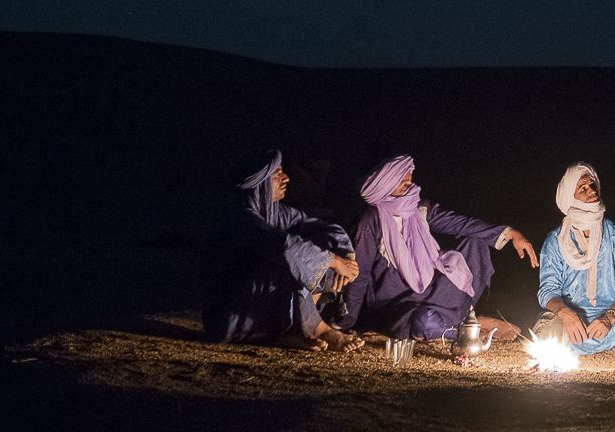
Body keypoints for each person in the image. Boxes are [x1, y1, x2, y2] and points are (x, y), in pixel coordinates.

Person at [338, 154, 538, 344]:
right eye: (405, 184)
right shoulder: (371, 220)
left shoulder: (418, 209)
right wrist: (347, 321)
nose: (412, 187)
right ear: (386, 185)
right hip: (397, 304)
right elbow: (358, 272)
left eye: (411, 182)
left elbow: (461, 224)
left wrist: (510, 234)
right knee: (423, 323)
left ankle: (465, 316)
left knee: (475, 243)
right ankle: (466, 327)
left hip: (432, 291)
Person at [200, 149, 363, 350]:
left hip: (256, 308)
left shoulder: (279, 214)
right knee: (299, 259)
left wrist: (345, 255)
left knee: (323, 248)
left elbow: (327, 228)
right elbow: (284, 246)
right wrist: (336, 262)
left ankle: (292, 331)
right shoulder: (238, 218)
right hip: (233, 318)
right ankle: (315, 328)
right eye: (277, 174)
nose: (286, 178)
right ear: (259, 184)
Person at [532, 162, 615, 357]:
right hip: (567, 316)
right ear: (571, 196)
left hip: (607, 315)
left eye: (592, 185)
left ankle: (597, 343)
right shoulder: (555, 240)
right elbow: (547, 291)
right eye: (583, 188)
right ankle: (588, 343)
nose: (592, 191)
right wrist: (566, 314)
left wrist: (609, 318)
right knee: (545, 336)